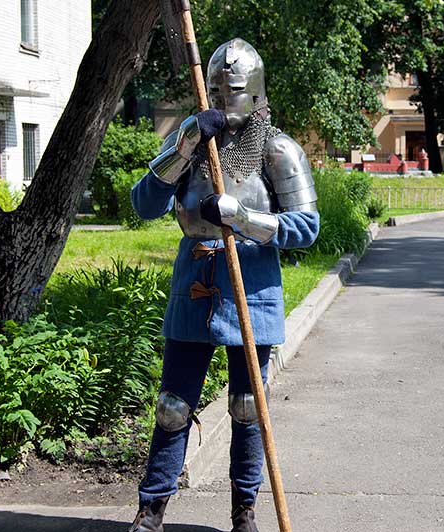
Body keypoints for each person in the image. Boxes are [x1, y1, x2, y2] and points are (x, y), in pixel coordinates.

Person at [128, 38, 319, 532]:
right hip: (194, 281)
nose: (223, 96)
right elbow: (144, 204)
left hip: (251, 287)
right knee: (172, 405)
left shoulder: (276, 148)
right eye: (215, 88)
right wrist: (187, 144)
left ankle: (244, 512)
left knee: (247, 406)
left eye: (232, 89)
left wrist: (243, 217)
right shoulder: (190, 141)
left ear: (254, 92)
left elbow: (305, 227)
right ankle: (151, 512)